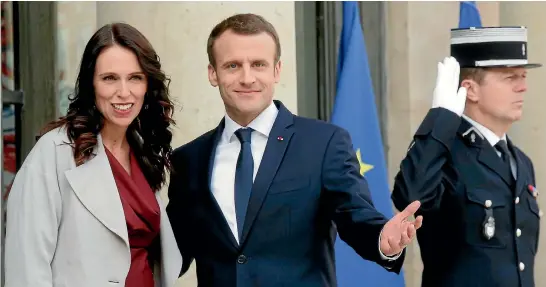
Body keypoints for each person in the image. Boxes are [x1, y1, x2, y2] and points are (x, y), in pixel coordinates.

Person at [166, 13, 422, 286]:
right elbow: (172, 253)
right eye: (232, 66)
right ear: (213, 73)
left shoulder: (324, 143)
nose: (247, 77)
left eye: (258, 64)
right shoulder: (189, 160)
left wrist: (383, 239)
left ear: (276, 70)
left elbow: (355, 216)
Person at [4, 22, 182, 287]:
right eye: (109, 78)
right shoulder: (54, 152)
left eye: (135, 77)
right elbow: (27, 267)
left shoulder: (143, 150)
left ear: (148, 84)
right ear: (91, 84)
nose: (124, 92)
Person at [391, 26, 541, 287]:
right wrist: (441, 118)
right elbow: (409, 197)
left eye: (523, 76)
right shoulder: (444, 154)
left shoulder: (520, 162)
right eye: (509, 77)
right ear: (470, 89)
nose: (523, 87)